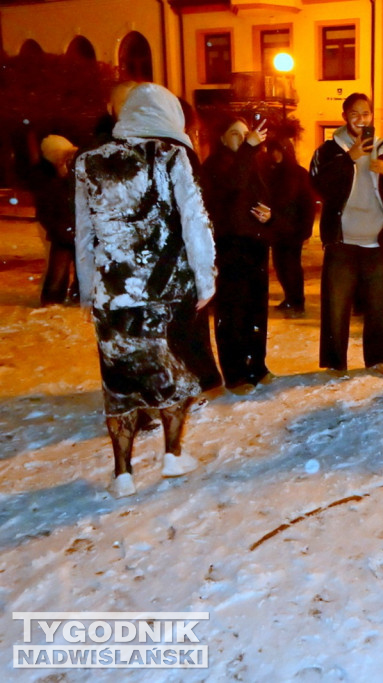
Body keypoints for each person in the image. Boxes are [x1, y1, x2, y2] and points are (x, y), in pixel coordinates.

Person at [74, 83, 216, 498]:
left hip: (113, 292)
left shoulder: (89, 162)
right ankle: (172, 456)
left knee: (117, 382)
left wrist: (88, 289)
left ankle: (123, 473)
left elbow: (86, 234)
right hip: (162, 290)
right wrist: (206, 279)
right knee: (175, 376)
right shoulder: (171, 156)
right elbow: (195, 221)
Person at [309, 92, 383, 377]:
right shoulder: (329, 150)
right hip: (341, 240)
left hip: (376, 240)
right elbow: (318, 183)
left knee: (380, 307)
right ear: (345, 117)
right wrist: (350, 158)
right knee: (336, 306)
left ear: (373, 116)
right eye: (355, 114)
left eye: (366, 114)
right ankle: (335, 362)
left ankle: (380, 358)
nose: (362, 120)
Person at [201, 118, 274, 394]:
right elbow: (233, 185)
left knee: (256, 308)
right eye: (235, 134)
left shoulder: (253, 163)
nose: (244, 139)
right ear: (222, 138)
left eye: (246, 134)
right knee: (233, 311)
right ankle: (235, 373)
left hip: (255, 243)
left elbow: (266, 198)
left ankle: (257, 364)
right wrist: (248, 150)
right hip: (229, 245)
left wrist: (270, 215)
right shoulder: (215, 165)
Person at [266, 138, 316, 318]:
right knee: (280, 265)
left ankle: (297, 301)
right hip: (276, 227)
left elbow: (307, 203)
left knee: (292, 266)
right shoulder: (270, 173)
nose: (275, 155)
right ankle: (289, 297)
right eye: (272, 150)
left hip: (293, 228)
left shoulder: (298, 174)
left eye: (279, 150)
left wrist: (306, 229)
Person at [28, 134, 79, 306]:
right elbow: (45, 211)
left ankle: (79, 296)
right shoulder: (47, 181)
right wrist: (57, 228)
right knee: (58, 269)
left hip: (80, 229)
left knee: (84, 268)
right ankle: (52, 299)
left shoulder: (78, 174)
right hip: (61, 232)